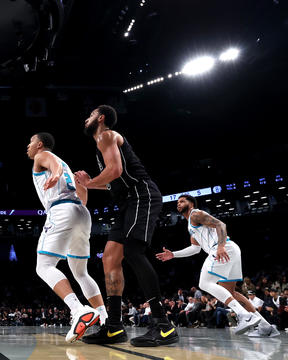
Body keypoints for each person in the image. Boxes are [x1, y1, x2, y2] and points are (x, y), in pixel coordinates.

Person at [75, 105, 178, 346]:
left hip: (142, 194)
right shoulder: (101, 145)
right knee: (109, 258)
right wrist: (88, 183)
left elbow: (115, 170)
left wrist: (89, 183)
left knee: (133, 250)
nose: (86, 118)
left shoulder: (106, 135)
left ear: (100, 118)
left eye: (90, 114)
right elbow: (112, 182)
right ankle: (113, 327)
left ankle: (163, 326)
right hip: (126, 201)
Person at [156, 194, 278, 336]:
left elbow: (221, 224)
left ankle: (244, 315)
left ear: (191, 204)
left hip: (222, 248)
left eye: (182, 201)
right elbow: (195, 249)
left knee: (204, 283)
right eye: (177, 202)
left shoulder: (196, 214)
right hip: (231, 250)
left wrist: (220, 246)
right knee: (231, 293)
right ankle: (265, 326)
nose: (178, 203)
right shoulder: (191, 225)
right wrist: (173, 254)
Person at [26, 132, 106, 342]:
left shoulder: (42, 156)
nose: (28, 146)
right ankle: (107, 320)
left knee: (43, 266)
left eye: (31, 142)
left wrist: (55, 173)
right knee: (81, 273)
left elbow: (52, 162)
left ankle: (78, 310)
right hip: (81, 212)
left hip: (61, 211)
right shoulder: (68, 168)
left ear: (40, 144)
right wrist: (60, 173)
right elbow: (83, 196)